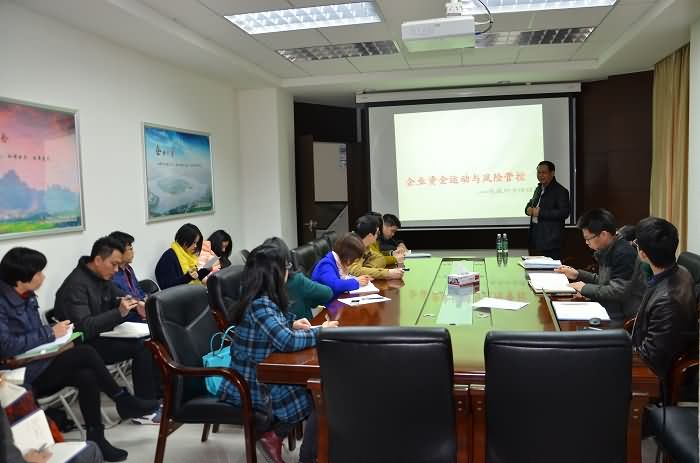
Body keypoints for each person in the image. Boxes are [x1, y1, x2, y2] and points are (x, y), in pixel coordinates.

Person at [0, 248, 159, 462]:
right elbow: (6, 346)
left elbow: (32, 335)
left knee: (87, 375)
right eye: (39, 272)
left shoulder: (27, 296)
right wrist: (50, 333)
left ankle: (98, 438)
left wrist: (56, 337)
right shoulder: (3, 303)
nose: (43, 277)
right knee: (85, 353)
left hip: (41, 361)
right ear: (22, 278)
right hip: (18, 375)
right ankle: (123, 400)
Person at [219, 244, 338, 463]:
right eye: (286, 266)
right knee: (322, 394)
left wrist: (291, 324)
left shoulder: (257, 296)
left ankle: (276, 437)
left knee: (320, 392)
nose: (288, 270)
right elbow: (287, 341)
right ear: (274, 273)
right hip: (251, 382)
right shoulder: (261, 304)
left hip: (261, 371)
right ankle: (304, 454)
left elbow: (273, 329)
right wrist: (321, 331)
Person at [54, 238, 161, 418]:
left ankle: (155, 397)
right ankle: (144, 408)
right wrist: (119, 313)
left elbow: (118, 295)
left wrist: (136, 304)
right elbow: (84, 327)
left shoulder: (100, 276)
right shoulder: (75, 286)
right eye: (114, 264)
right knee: (142, 348)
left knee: (150, 342)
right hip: (84, 344)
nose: (116, 270)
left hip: (102, 335)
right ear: (98, 260)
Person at [630, 217, 698, 382]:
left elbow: (650, 358)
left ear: (643, 254)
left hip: (653, 374)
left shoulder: (667, 302)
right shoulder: (681, 271)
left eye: (636, 243)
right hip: (644, 342)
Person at [555, 209, 641, 324]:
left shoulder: (624, 253)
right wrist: (578, 274)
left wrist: (584, 288)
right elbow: (604, 282)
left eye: (588, 238)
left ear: (603, 235)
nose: (586, 243)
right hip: (607, 308)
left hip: (621, 316)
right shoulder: (609, 248)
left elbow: (617, 292)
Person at [263, 237, 333, 320]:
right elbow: (328, 293)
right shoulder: (296, 281)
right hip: (305, 327)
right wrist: (309, 301)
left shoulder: (258, 288)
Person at [524, 161, 570, 260]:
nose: (540, 175)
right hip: (535, 239)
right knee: (534, 268)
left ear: (552, 173)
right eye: (538, 172)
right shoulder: (538, 189)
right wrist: (527, 209)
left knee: (551, 269)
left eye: (544, 172)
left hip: (551, 241)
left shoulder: (560, 191)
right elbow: (531, 203)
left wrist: (540, 213)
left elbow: (564, 213)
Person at [312, 233, 371, 298]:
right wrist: (356, 282)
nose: (352, 263)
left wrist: (357, 279)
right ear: (348, 257)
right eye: (354, 259)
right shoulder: (326, 264)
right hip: (325, 303)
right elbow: (335, 285)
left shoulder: (337, 262)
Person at [155, 223, 210, 289]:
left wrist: (206, 270)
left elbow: (194, 277)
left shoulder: (188, 255)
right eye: (194, 242)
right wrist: (188, 277)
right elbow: (168, 286)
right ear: (184, 241)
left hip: (190, 291)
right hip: (178, 294)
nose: (195, 246)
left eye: (196, 243)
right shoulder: (169, 257)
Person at [348, 215, 404, 280]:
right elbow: (354, 270)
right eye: (377, 233)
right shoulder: (351, 245)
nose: (378, 235)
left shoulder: (366, 247)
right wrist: (387, 273)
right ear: (370, 236)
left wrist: (369, 271)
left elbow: (380, 259)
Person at [108, 231, 147, 323]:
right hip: (126, 319)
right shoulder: (110, 276)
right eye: (130, 249)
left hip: (140, 312)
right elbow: (121, 305)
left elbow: (139, 291)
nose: (133, 252)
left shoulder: (128, 269)